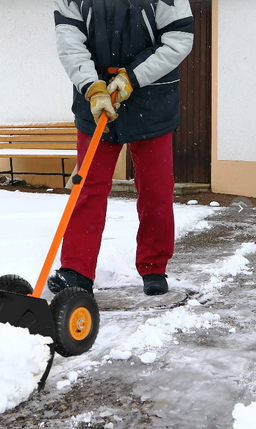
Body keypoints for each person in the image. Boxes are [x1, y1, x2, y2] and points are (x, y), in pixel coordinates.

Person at [48, 0, 194, 296]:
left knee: (156, 188)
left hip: (151, 98)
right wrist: (92, 86)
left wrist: (133, 76)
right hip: (96, 99)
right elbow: (70, 40)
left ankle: (154, 266)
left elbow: (179, 39)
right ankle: (76, 270)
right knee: (87, 187)